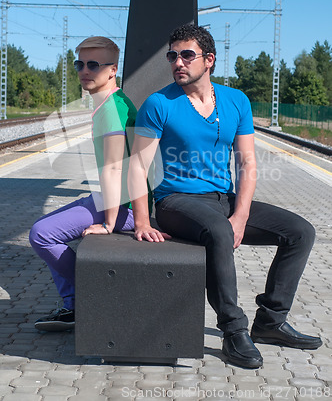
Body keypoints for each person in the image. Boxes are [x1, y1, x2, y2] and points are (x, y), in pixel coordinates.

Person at [128, 24, 322, 369]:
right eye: (172, 55)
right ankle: (234, 330)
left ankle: (271, 321)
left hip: (223, 199)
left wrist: (241, 215)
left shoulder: (236, 101)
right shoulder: (158, 104)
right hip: (176, 201)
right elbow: (137, 167)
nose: (178, 62)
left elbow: (247, 163)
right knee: (218, 230)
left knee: (300, 232)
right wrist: (142, 219)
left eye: (187, 54)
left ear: (209, 60)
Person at [30, 36, 136, 332]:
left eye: (93, 65)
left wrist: (110, 223)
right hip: (111, 198)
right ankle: (73, 305)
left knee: (41, 234)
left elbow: (115, 169)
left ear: (113, 69)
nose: (84, 71)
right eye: (80, 64)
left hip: (122, 205)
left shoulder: (111, 110)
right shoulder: (111, 103)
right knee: (47, 226)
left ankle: (90, 293)